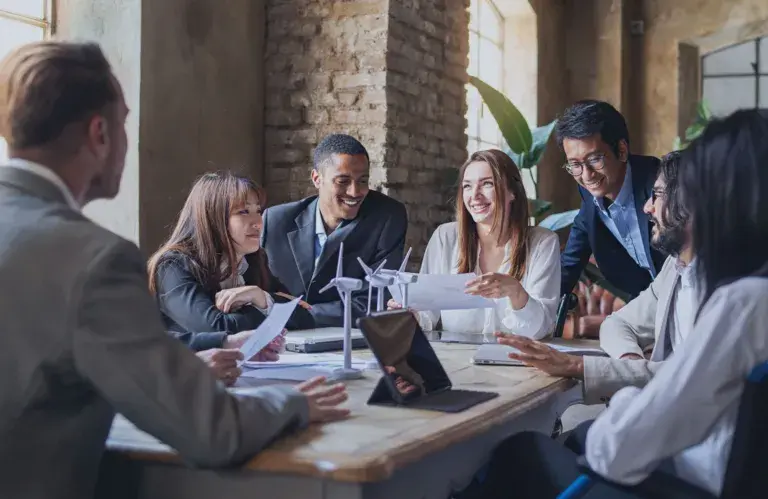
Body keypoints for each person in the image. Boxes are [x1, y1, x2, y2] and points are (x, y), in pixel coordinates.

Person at [0, 41, 349, 499]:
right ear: (99, 133)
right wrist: (295, 402)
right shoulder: (96, 260)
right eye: (126, 123)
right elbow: (213, 432)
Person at [460, 109, 768, 498]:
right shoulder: (717, 281)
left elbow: (620, 450)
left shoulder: (742, 303)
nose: (648, 208)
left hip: (684, 480)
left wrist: (622, 395)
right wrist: (630, 368)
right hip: (710, 472)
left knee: (519, 452)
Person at [497, 152, 694, 406]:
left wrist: (575, 365)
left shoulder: (727, 291)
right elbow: (616, 324)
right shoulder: (675, 268)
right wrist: (629, 362)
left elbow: (686, 377)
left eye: (656, 195)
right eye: (574, 164)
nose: (647, 207)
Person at [391, 149, 560, 342]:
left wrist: (516, 292)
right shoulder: (445, 237)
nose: (475, 195)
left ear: (512, 192)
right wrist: (410, 315)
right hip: (455, 362)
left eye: (487, 184)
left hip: (516, 364)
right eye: (468, 186)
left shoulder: (542, 243)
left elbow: (539, 330)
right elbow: (427, 314)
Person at [147, 171, 313, 354]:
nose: (258, 222)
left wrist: (260, 297)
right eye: (243, 212)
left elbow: (305, 316)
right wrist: (269, 310)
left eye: (258, 211)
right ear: (213, 218)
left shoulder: (253, 260)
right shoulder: (172, 266)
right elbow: (217, 329)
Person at [260, 133, 408, 327]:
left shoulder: (387, 217)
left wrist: (298, 314)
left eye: (363, 180)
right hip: (277, 338)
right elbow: (260, 288)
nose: (355, 192)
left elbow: (377, 299)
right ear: (316, 178)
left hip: (349, 339)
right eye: (343, 181)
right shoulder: (276, 220)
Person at [558, 100, 666, 300]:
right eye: (575, 164)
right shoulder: (590, 196)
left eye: (595, 159)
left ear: (622, 150)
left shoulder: (660, 184)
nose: (587, 175)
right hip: (648, 302)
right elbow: (569, 264)